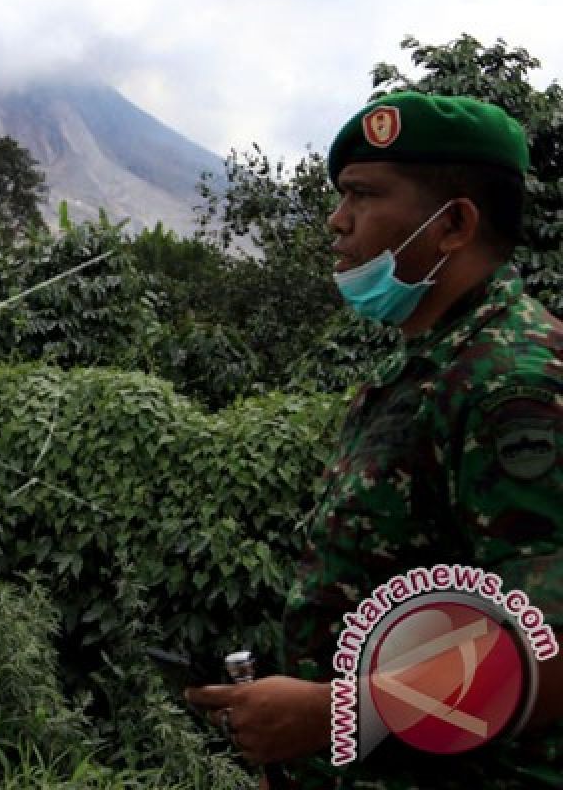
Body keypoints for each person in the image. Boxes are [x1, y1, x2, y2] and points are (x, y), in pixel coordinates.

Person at [186, 93, 563, 787]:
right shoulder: (417, 369)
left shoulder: (518, 383)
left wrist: (335, 715)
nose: (336, 221)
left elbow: (550, 649)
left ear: (452, 224)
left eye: (361, 195)